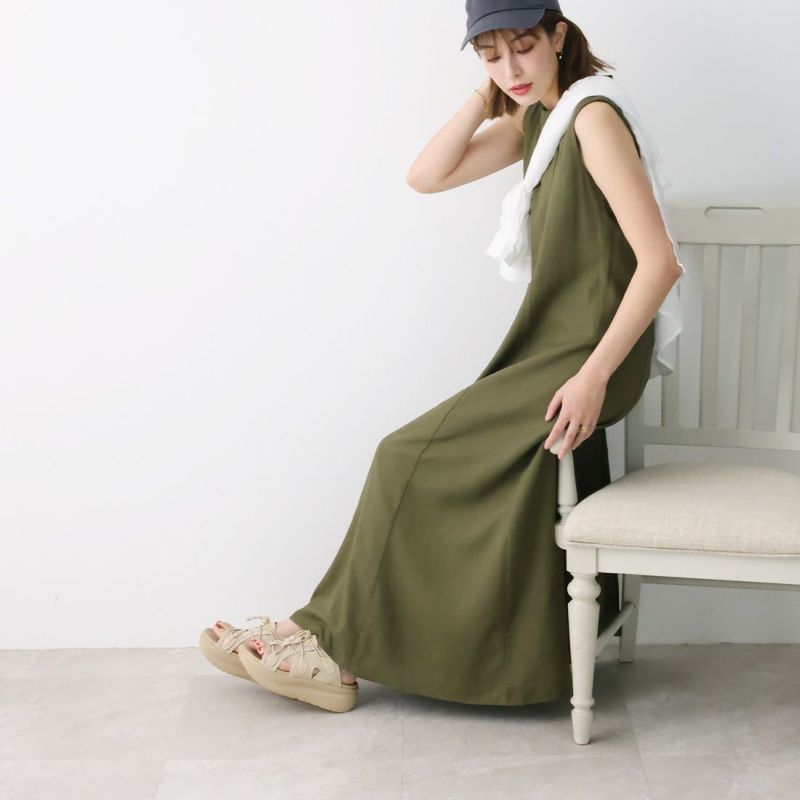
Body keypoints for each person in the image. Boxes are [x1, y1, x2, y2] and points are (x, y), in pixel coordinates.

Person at [198, 1, 684, 713]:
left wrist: (593, 376)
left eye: (523, 46)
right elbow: (425, 176)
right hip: (554, 348)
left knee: (401, 455)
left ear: (559, 35)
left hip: (591, 356)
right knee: (434, 465)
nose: (511, 68)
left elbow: (659, 263)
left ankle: (327, 647)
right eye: (490, 55)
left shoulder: (592, 118)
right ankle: (325, 637)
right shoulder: (539, 120)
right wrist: (487, 97)